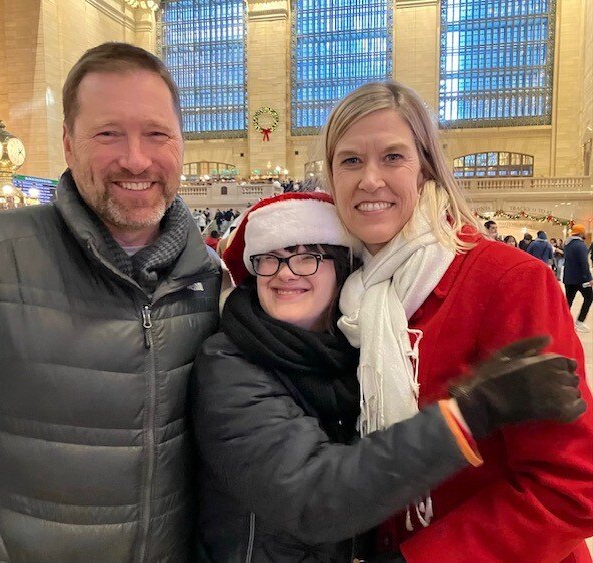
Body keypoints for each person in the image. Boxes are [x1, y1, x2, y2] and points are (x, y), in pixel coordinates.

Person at [192, 191, 584, 562]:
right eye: (268, 259)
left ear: (341, 266)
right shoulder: (229, 363)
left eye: (307, 255)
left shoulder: (361, 347)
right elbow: (311, 495)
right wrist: (468, 414)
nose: (285, 273)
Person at [0, 42, 222, 561]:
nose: (136, 159)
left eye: (156, 134)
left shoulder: (212, 279)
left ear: (181, 145)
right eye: (107, 134)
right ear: (69, 146)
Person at [320, 81, 593, 562]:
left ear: (427, 168)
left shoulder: (507, 281)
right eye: (351, 160)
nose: (369, 179)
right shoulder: (344, 298)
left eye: (392, 157)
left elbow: (572, 485)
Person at [563, 224, 593, 333]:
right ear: (581, 233)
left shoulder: (567, 243)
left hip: (569, 278)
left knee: (568, 301)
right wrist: (589, 278)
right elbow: (584, 264)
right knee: (589, 297)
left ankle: (563, 322)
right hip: (581, 279)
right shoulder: (580, 245)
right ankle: (580, 322)